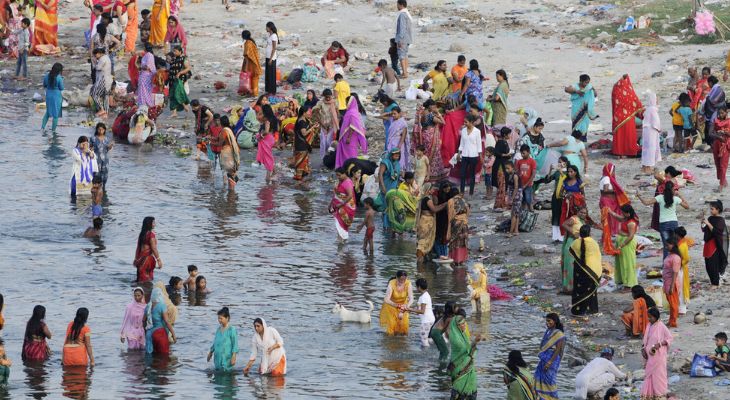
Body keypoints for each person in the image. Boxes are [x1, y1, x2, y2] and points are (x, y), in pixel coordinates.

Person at [636, 181, 689, 258]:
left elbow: (646, 203)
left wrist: (639, 196)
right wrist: (680, 195)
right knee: (675, 244)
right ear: (673, 189)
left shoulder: (660, 197)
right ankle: (676, 263)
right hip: (673, 222)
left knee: (666, 245)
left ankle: (666, 264)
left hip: (663, 223)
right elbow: (687, 206)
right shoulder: (676, 199)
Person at [641, 307, 672, 400]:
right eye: (648, 317)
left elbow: (669, 338)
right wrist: (643, 349)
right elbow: (646, 340)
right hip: (649, 356)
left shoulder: (661, 326)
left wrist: (660, 344)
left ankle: (660, 395)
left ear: (656, 317)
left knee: (659, 376)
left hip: (658, 356)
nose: (649, 319)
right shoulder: (648, 325)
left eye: (650, 317)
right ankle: (650, 395)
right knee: (649, 375)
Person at [570, 225, 601, 315]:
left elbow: (572, 252)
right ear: (590, 233)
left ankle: (579, 310)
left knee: (579, 290)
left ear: (580, 233)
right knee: (591, 290)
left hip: (580, 270)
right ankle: (592, 309)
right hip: (592, 271)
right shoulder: (594, 243)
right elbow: (597, 257)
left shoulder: (575, 242)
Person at [448, 315, 480, 399]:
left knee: (471, 391)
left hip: (468, 368)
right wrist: (474, 342)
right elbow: (465, 350)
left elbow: (468, 349)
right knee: (460, 391)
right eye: (461, 324)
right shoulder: (455, 338)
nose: (464, 325)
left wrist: (475, 342)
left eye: (464, 323)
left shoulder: (463, 335)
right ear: (456, 326)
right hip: (460, 367)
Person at [608, 205, 639, 288]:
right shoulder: (625, 218)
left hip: (627, 243)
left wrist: (622, 245)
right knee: (620, 262)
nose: (622, 214)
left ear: (628, 214)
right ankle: (622, 280)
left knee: (627, 263)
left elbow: (631, 236)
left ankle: (629, 284)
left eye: (623, 213)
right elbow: (617, 217)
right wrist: (610, 212)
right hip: (622, 241)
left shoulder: (631, 223)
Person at [413, 99, 445, 182]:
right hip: (431, 136)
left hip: (423, 135)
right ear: (430, 106)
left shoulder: (421, 113)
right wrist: (438, 113)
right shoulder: (430, 115)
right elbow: (443, 122)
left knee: (426, 153)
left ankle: (423, 173)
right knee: (434, 154)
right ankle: (432, 175)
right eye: (433, 106)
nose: (434, 107)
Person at [610, 74, 642, 157]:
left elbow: (614, 102)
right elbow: (636, 102)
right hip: (629, 118)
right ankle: (629, 151)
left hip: (618, 117)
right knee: (628, 134)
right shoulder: (629, 91)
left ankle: (619, 151)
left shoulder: (616, 88)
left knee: (620, 135)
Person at [535, 313, 565, 400]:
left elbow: (558, 350)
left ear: (554, 321)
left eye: (549, 321)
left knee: (549, 381)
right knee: (539, 379)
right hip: (544, 359)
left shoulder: (559, 334)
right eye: (546, 321)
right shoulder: (548, 331)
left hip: (551, 360)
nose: (547, 323)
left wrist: (549, 362)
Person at [561, 204, 589, 294]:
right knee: (570, 266)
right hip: (571, 245)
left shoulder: (583, 221)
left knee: (577, 267)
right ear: (577, 212)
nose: (583, 214)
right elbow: (564, 224)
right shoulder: (574, 219)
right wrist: (573, 232)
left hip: (578, 246)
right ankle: (569, 288)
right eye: (581, 212)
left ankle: (575, 286)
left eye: (585, 213)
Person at [539, 157, 569, 242]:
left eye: (561, 162)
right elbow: (547, 180)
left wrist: (560, 171)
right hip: (556, 196)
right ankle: (556, 237)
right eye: (558, 162)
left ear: (565, 163)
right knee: (555, 215)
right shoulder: (556, 173)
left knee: (563, 215)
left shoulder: (569, 172)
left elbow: (567, 180)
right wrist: (550, 170)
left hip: (564, 196)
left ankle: (563, 236)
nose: (559, 164)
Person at [416, 184, 447, 261]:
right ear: (428, 190)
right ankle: (420, 260)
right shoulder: (427, 199)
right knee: (424, 241)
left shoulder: (423, 198)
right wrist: (444, 204)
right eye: (432, 189)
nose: (433, 191)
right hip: (427, 221)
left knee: (423, 239)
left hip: (423, 220)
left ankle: (421, 259)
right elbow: (434, 210)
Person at [336, 95, 368, 169]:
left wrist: (349, 137)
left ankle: (351, 167)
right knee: (346, 152)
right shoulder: (351, 111)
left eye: (347, 102)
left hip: (350, 137)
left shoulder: (352, 113)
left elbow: (352, 126)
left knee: (350, 152)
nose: (346, 103)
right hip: (345, 136)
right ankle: (345, 166)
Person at [702, 200, 728, 288]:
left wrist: (708, 224)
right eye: (710, 209)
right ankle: (712, 281)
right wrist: (703, 224)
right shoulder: (710, 218)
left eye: (712, 209)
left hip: (715, 244)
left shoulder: (721, 220)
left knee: (713, 264)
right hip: (708, 243)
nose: (711, 210)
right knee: (708, 264)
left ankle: (715, 283)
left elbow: (717, 232)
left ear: (718, 210)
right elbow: (705, 230)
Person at [599, 163, 630, 235]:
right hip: (607, 200)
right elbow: (605, 190)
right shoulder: (606, 178)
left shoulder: (604, 178)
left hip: (609, 200)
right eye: (613, 171)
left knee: (609, 217)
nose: (613, 173)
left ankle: (611, 232)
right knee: (609, 216)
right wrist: (616, 190)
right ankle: (609, 233)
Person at [144, 287, 176, 355]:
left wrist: (146, 332)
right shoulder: (162, 306)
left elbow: (143, 320)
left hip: (149, 334)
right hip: (159, 333)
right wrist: (173, 334)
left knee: (150, 355)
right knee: (163, 356)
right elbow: (167, 322)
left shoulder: (148, 306)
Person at [380, 271, 413, 335]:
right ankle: (391, 342)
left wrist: (405, 307)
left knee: (404, 325)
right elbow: (386, 299)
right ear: (397, 278)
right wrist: (396, 305)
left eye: (404, 279)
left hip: (404, 306)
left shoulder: (408, 283)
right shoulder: (391, 283)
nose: (403, 281)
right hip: (391, 306)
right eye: (401, 279)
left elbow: (411, 298)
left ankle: (402, 342)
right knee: (392, 325)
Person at [565, 74, 597, 141]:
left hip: (585, 110)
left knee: (585, 124)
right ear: (581, 81)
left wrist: (593, 90)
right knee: (576, 124)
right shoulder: (575, 86)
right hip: (577, 110)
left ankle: (583, 139)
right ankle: (574, 140)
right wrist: (576, 91)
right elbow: (566, 89)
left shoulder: (589, 86)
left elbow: (595, 95)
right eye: (585, 82)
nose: (587, 84)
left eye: (588, 82)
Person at [207, 307, 238, 372]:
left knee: (226, 373)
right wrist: (210, 352)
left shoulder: (231, 329)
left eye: (221, 318)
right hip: (218, 357)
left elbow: (235, 344)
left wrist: (234, 356)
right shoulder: (218, 329)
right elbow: (215, 342)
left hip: (227, 357)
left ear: (227, 318)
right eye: (218, 318)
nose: (219, 320)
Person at [330, 166, 356, 242]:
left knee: (342, 225)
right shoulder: (340, 181)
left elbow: (350, 195)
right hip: (339, 206)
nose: (338, 177)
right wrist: (330, 204)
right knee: (339, 224)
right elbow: (336, 194)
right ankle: (340, 242)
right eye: (337, 175)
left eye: (339, 175)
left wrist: (341, 204)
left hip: (345, 207)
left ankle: (341, 242)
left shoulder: (347, 182)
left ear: (344, 174)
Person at [407, 278, 435, 347]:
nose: (416, 288)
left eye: (416, 286)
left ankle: (426, 353)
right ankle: (433, 345)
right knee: (426, 337)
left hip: (426, 321)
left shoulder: (423, 297)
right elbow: (419, 310)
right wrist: (410, 310)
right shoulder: (426, 295)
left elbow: (422, 311)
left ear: (419, 287)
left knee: (423, 339)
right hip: (429, 319)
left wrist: (410, 309)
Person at [134, 216, 162, 283]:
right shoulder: (151, 235)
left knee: (140, 278)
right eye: (153, 222)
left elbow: (138, 247)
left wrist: (136, 259)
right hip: (147, 259)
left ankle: (138, 290)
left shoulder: (142, 234)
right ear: (149, 224)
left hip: (140, 258)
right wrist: (159, 260)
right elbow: (154, 248)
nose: (155, 224)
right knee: (147, 279)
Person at [640, 91, 662, 174]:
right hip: (651, 131)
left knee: (646, 149)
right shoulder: (652, 109)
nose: (657, 101)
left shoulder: (648, 109)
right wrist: (659, 129)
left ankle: (644, 166)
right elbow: (656, 122)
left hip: (647, 131)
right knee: (651, 149)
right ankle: (648, 167)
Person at [168, 45, 191, 118]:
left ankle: (185, 105)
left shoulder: (184, 59)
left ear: (180, 51)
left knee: (178, 94)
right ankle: (174, 112)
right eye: (173, 51)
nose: (174, 52)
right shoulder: (173, 59)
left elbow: (188, 68)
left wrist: (180, 73)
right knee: (172, 96)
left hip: (179, 80)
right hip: (172, 80)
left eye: (175, 51)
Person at [447, 190, 470, 264]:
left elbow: (450, 215)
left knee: (455, 242)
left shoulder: (451, 201)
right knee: (463, 242)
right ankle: (461, 260)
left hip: (456, 223)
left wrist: (448, 228)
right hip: (464, 223)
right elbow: (468, 212)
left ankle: (455, 259)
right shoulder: (463, 200)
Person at [492, 127, 512, 210]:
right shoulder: (500, 142)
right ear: (505, 135)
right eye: (509, 134)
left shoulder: (504, 142)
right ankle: (500, 204)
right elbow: (496, 152)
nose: (510, 135)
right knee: (502, 185)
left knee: (503, 186)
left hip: (504, 165)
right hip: (500, 166)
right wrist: (505, 155)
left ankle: (502, 203)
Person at [257, 104, 277, 184]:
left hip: (267, 140)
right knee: (268, 156)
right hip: (269, 139)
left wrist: (260, 136)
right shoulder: (272, 118)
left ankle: (268, 178)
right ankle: (274, 171)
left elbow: (266, 131)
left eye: (262, 110)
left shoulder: (267, 120)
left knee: (268, 158)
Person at [711, 107, 730, 192]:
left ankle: (721, 185)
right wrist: (718, 136)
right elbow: (710, 133)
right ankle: (724, 180)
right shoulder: (715, 120)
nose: (720, 115)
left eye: (722, 113)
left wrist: (725, 132)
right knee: (717, 163)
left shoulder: (729, 121)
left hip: (725, 144)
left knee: (723, 164)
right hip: (716, 144)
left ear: (726, 112)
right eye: (719, 113)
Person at [293, 107, 315, 181]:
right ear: (304, 113)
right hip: (301, 144)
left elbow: (310, 125)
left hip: (303, 144)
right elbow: (304, 133)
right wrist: (312, 128)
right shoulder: (301, 122)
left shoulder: (305, 120)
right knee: (301, 161)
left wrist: (313, 125)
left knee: (303, 161)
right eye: (308, 112)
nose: (309, 113)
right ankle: (299, 177)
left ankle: (301, 176)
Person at [90, 48, 112, 118]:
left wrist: (94, 62)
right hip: (108, 80)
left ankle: (102, 109)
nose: (95, 56)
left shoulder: (102, 59)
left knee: (94, 94)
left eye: (95, 55)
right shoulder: (106, 57)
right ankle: (106, 112)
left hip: (103, 80)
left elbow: (98, 68)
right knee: (105, 96)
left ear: (99, 53)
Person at [674, 227, 692, 314]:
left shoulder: (682, 245)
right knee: (681, 287)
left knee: (681, 287)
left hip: (682, 268)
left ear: (677, 235)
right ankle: (681, 307)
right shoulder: (682, 242)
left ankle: (682, 309)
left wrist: (680, 264)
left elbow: (686, 258)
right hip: (682, 267)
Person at [42, 63, 64, 133]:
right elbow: (61, 88)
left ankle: (42, 128)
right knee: (55, 115)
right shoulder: (59, 78)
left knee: (48, 112)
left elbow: (44, 84)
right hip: (56, 96)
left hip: (48, 95)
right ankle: (53, 131)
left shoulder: (47, 76)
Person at [90, 122, 113, 188]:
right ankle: (95, 187)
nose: (101, 131)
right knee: (96, 173)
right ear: (97, 130)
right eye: (99, 129)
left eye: (102, 129)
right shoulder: (93, 138)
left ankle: (103, 187)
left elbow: (107, 149)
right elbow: (90, 148)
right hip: (96, 159)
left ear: (104, 130)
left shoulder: (107, 138)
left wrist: (110, 146)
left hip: (105, 159)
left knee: (105, 173)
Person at [240, 30, 262, 97]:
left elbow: (247, 56)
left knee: (250, 78)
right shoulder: (252, 42)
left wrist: (245, 68)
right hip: (255, 63)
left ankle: (253, 93)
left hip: (250, 64)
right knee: (254, 78)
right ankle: (254, 93)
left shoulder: (247, 43)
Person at [394, 0, 413, 78]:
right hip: (408, 38)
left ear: (401, 5)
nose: (397, 6)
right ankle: (405, 72)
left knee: (401, 56)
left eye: (397, 4)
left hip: (403, 39)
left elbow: (402, 28)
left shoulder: (402, 15)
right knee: (405, 55)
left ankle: (405, 73)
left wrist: (399, 40)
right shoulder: (407, 14)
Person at [136, 44, 157, 108]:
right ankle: (143, 103)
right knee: (143, 90)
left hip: (146, 75)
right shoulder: (147, 55)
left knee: (145, 90)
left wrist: (140, 67)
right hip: (144, 75)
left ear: (145, 48)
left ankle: (145, 103)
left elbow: (148, 67)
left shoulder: (149, 55)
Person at [516, 145, 536, 211]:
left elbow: (533, 174)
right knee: (522, 200)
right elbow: (517, 172)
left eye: (523, 153)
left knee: (528, 200)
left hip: (528, 184)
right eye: (521, 153)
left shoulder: (532, 161)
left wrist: (526, 184)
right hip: (521, 184)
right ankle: (523, 214)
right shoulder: (519, 162)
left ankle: (531, 211)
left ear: (529, 152)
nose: (522, 155)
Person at [503, 161, 521, 237]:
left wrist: (512, 198)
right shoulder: (510, 175)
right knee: (516, 213)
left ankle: (511, 232)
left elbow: (516, 187)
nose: (507, 170)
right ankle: (516, 230)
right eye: (506, 169)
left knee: (514, 214)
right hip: (514, 195)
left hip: (516, 195)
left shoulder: (515, 176)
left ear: (512, 168)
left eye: (508, 168)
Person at [264, 22, 278, 94]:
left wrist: (270, 59)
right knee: (268, 74)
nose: (266, 28)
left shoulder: (274, 36)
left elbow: (274, 48)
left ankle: (272, 91)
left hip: (271, 58)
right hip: (268, 56)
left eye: (266, 27)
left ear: (270, 27)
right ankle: (268, 89)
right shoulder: (270, 35)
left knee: (271, 74)